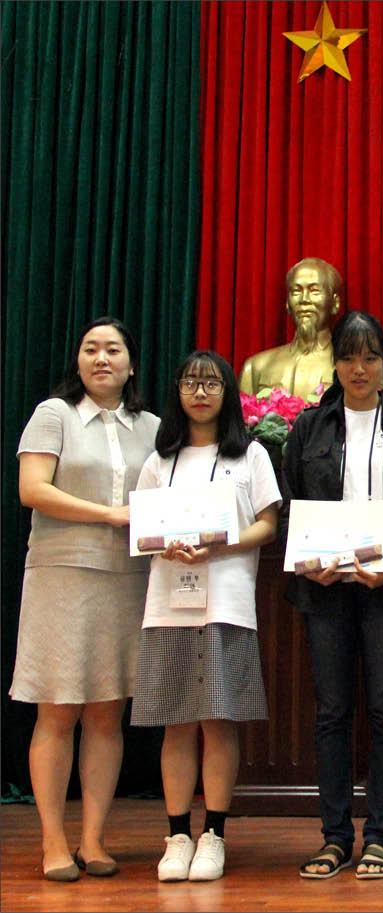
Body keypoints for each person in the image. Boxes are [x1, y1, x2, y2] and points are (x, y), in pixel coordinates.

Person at [281, 310, 383, 880]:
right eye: (349, 357)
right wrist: (309, 565)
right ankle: (333, 838)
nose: (359, 368)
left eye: (370, 357)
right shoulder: (308, 428)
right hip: (324, 591)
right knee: (332, 713)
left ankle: (380, 837)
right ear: (335, 365)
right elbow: (288, 510)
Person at [12, 316, 159, 881]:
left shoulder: (151, 426)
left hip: (128, 577)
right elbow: (32, 489)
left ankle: (94, 839)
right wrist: (109, 515)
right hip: (62, 575)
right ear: (78, 360)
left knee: (106, 712)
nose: (102, 359)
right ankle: (53, 841)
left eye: (113, 350)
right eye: (91, 349)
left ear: (131, 364)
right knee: (57, 709)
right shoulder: (55, 414)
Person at [131, 351, 281, 882]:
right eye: (191, 383)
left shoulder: (251, 454)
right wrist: (165, 544)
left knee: (219, 719)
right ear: (177, 391)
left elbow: (268, 524)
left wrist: (219, 543)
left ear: (227, 392)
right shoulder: (159, 460)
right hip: (168, 603)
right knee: (176, 722)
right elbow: (143, 529)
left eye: (211, 383)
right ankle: (177, 835)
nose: (200, 392)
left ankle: (214, 834)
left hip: (227, 601)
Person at [238, 257, 343, 397]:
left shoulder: (351, 368)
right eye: (296, 291)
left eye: (314, 291)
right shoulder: (256, 368)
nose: (304, 299)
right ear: (287, 303)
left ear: (335, 303)